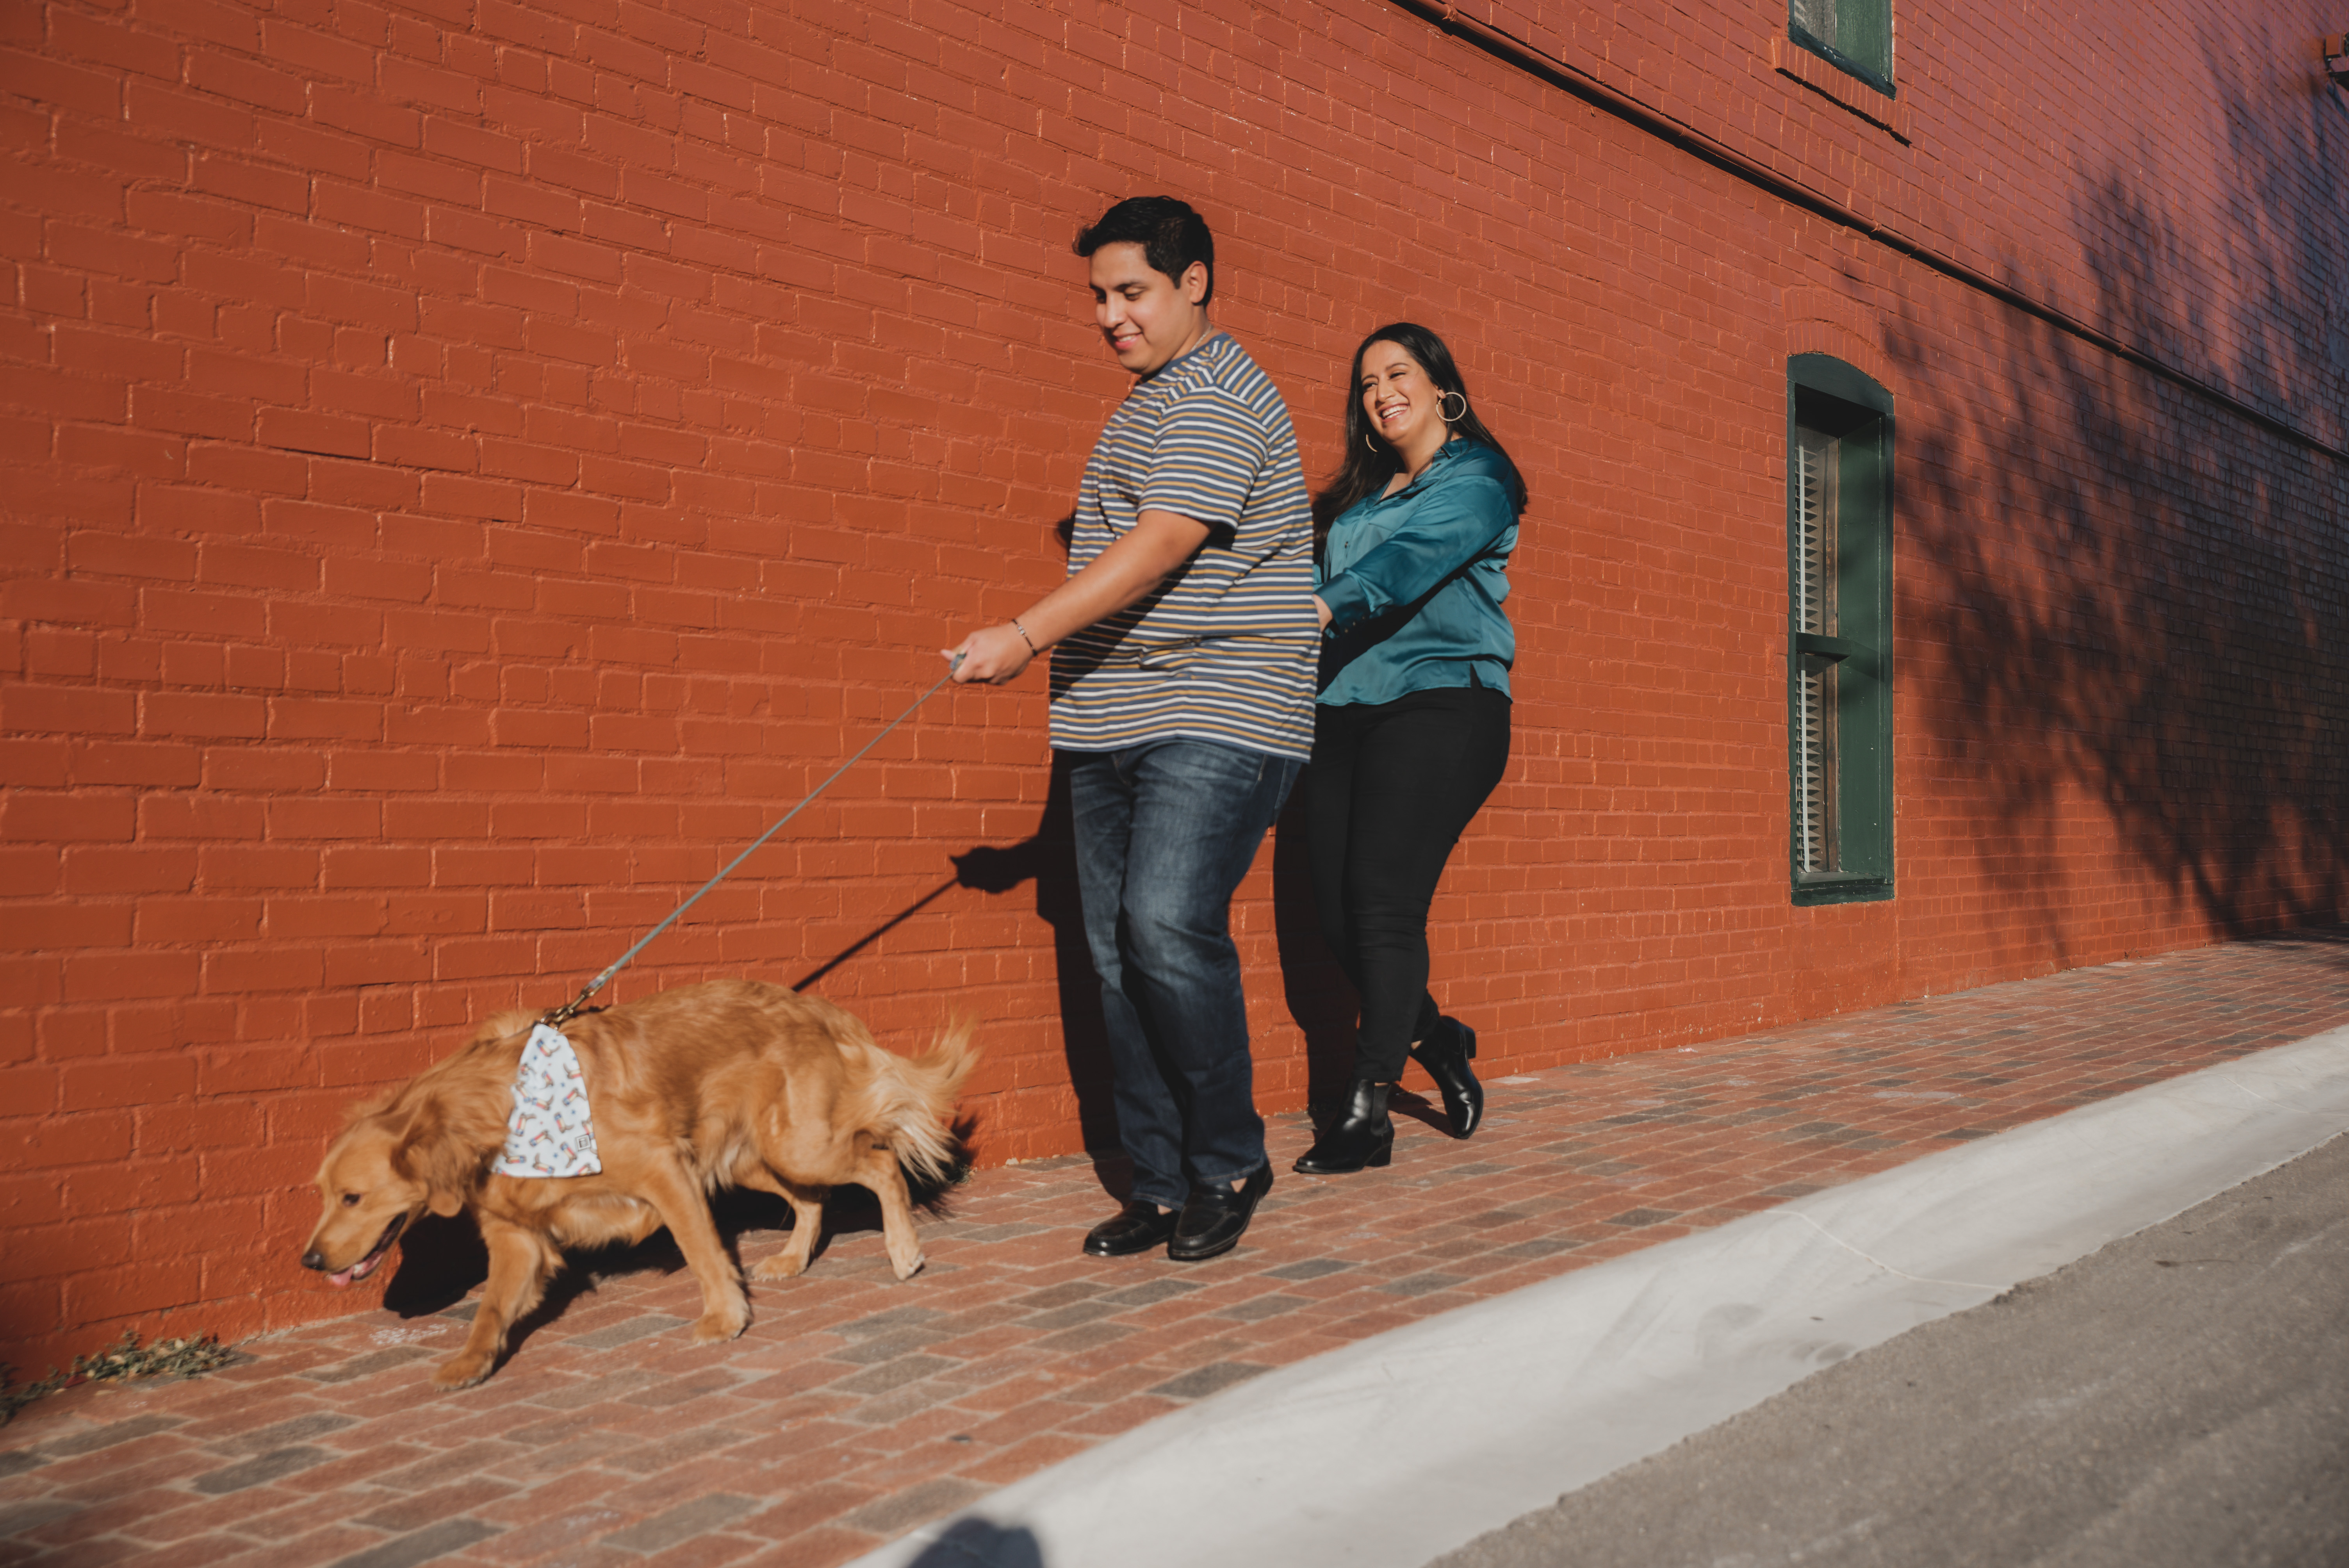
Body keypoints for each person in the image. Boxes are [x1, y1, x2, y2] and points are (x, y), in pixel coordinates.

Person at [948, 197, 1319, 1260]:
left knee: (1163, 926)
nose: (1110, 315)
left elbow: (1160, 543)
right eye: (1099, 296)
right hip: (1110, 716)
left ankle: (1229, 1162)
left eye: (1132, 292)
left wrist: (1024, 634)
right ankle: (1159, 1182)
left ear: (1193, 282)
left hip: (1215, 707)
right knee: (1117, 954)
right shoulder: (1151, 400)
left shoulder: (1217, 393)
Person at [1295, 323, 1526, 1174]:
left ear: (1439, 386)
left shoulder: (1479, 479)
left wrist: (1327, 604)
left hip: (1441, 702)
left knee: (1384, 906)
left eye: (1397, 374)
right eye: (1366, 384)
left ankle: (1367, 1112)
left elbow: (1416, 557)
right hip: (1342, 709)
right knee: (1334, 919)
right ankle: (1435, 1037)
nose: (1381, 393)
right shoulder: (1355, 501)